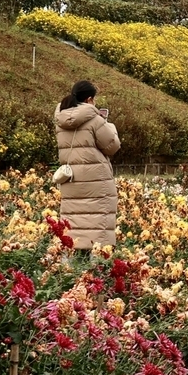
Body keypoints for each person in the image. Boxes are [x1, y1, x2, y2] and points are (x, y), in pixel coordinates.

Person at [53, 79, 121, 252]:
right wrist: (109, 125)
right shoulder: (95, 120)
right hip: (96, 180)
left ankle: (68, 269)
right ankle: (96, 272)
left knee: (73, 222)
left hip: (71, 179)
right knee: (97, 228)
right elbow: (112, 146)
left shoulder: (61, 120)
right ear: (90, 99)